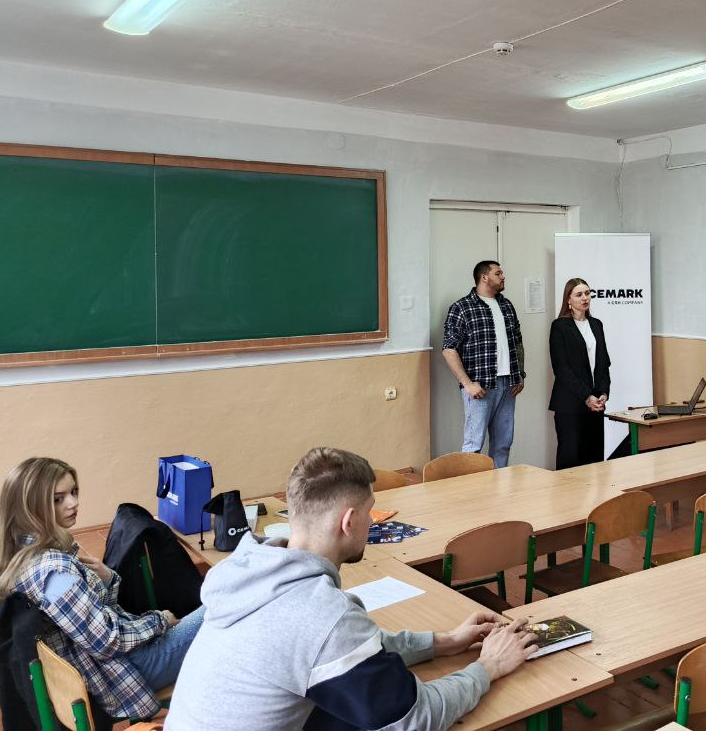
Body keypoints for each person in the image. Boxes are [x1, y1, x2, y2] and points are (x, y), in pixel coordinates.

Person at [164, 447, 537, 731]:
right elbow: (415, 717)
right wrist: (487, 667)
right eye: (370, 512)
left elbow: (347, 650)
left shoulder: (252, 571)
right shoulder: (321, 614)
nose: (372, 522)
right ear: (348, 521)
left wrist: (444, 642)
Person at [0, 458, 204, 720]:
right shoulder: (54, 572)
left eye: (74, 492)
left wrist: (107, 580)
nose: (73, 503)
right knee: (221, 609)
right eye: (58, 499)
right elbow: (107, 640)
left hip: (110, 666)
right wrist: (159, 620)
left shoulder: (18, 554)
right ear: (29, 507)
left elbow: (88, 622)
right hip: (124, 674)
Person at [441, 260, 525, 467]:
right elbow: (449, 349)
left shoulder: (506, 305)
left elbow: (517, 342)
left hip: (508, 384)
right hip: (480, 387)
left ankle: (499, 485)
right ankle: (471, 488)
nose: (503, 277)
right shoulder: (462, 307)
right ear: (484, 277)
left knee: (503, 444)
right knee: (473, 446)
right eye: (498, 273)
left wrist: (520, 374)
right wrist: (467, 384)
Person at [548, 278, 612, 469]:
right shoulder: (560, 326)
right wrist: (586, 396)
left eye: (587, 293)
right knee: (571, 460)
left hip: (596, 405)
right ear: (568, 300)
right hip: (570, 404)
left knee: (595, 460)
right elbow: (561, 369)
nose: (585, 298)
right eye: (578, 294)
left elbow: (604, 363)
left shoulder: (596, 324)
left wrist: (603, 392)